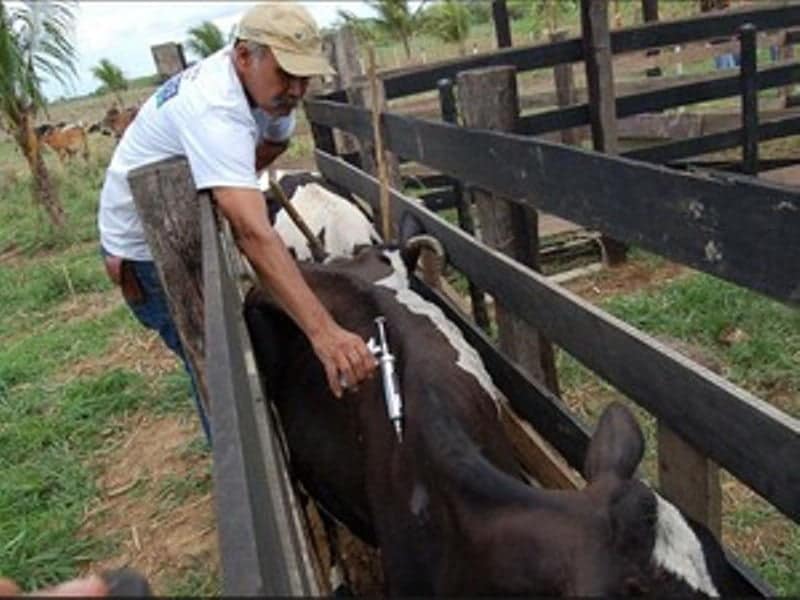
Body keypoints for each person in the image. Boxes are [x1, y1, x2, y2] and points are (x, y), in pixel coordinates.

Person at [97, 2, 377, 443]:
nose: (297, 89)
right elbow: (252, 232)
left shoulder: (268, 93)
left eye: (304, 76)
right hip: (148, 254)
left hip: (186, 222)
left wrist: (231, 180)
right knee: (218, 369)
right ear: (245, 56)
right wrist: (325, 334)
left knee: (237, 351)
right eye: (286, 74)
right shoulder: (214, 107)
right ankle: (241, 484)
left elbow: (272, 142)